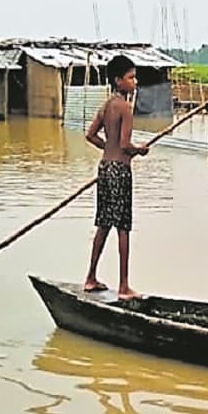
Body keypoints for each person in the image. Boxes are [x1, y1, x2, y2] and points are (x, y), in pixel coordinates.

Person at [83, 54, 149, 300]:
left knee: (103, 224)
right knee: (123, 227)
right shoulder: (125, 108)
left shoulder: (106, 105)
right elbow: (124, 144)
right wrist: (138, 151)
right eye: (131, 78)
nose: (135, 82)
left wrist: (108, 150)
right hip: (120, 171)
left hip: (105, 169)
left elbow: (90, 135)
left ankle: (90, 278)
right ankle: (124, 287)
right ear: (118, 80)